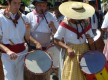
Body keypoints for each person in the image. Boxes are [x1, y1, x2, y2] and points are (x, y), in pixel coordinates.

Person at [0, 0, 42, 80]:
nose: (17, 6)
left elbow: (26, 38)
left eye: (19, 3)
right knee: (10, 78)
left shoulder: (24, 18)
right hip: (7, 55)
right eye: (14, 3)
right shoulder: (1, 18)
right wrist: (8, 51)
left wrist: (28, 30)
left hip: (22, 53)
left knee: (20, 78)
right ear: (8, 2)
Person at [54, 1, 95, 80]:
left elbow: (92, 40)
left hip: (84, 52)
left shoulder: (86, 23)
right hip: (71, 53)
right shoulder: (64, 24)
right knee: (71, 76)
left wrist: (90, 40)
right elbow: (56, 40)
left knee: (85, 75)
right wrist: (67, 48)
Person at [26, 0, 59, 80]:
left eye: (44, 6)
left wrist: (53, 27)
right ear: (36, 5)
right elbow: (26, 35)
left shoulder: (51, 16)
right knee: (33, 72)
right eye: (40, 5)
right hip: (32, 49)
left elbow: (57, 33)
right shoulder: (29, 16)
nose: (42, 7)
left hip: (46, 49)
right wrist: (36, 42)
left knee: (45, 72)